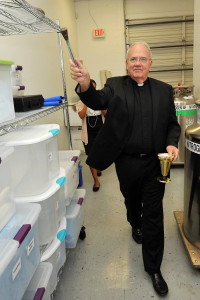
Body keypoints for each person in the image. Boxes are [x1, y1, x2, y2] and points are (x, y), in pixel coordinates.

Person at [69, 41, 181, 296]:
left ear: (150, 64)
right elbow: (96, 100)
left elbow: (173, 125)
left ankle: (153, 268)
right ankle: (134, 222)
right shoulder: (115, 86)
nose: (138, 63)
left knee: (154, 212)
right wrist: (85, 83)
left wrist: (171, 144)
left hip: (156, 163)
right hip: (127, 162)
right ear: (127, 64)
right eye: (133, 59)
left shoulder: (164, 91)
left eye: (142, 59)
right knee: (132, 202)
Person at [76, 79, 106, 192]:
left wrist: (102, 103)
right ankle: (96, 181)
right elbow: (81, 115)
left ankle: (97, 168)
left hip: (101, 129)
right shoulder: (81, 102)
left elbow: (107, 114)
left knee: (100, 153)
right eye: (89, 88)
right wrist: (86, 102)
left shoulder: (101, 99)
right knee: (91, 156)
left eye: (93, 88)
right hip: (88, 132)